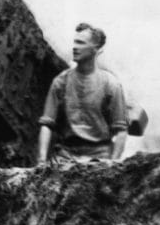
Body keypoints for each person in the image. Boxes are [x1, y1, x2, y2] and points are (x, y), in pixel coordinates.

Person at [37, 23, 128, 164]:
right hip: (65, 155)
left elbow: (121, 130)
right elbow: (47, 124)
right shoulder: (61, 81)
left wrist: (113, 163)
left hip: (99, 157)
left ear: (96, 50)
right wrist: (41, 161)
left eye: (81, 43)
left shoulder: (111, 84)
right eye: (75, 42)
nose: (75, 47)